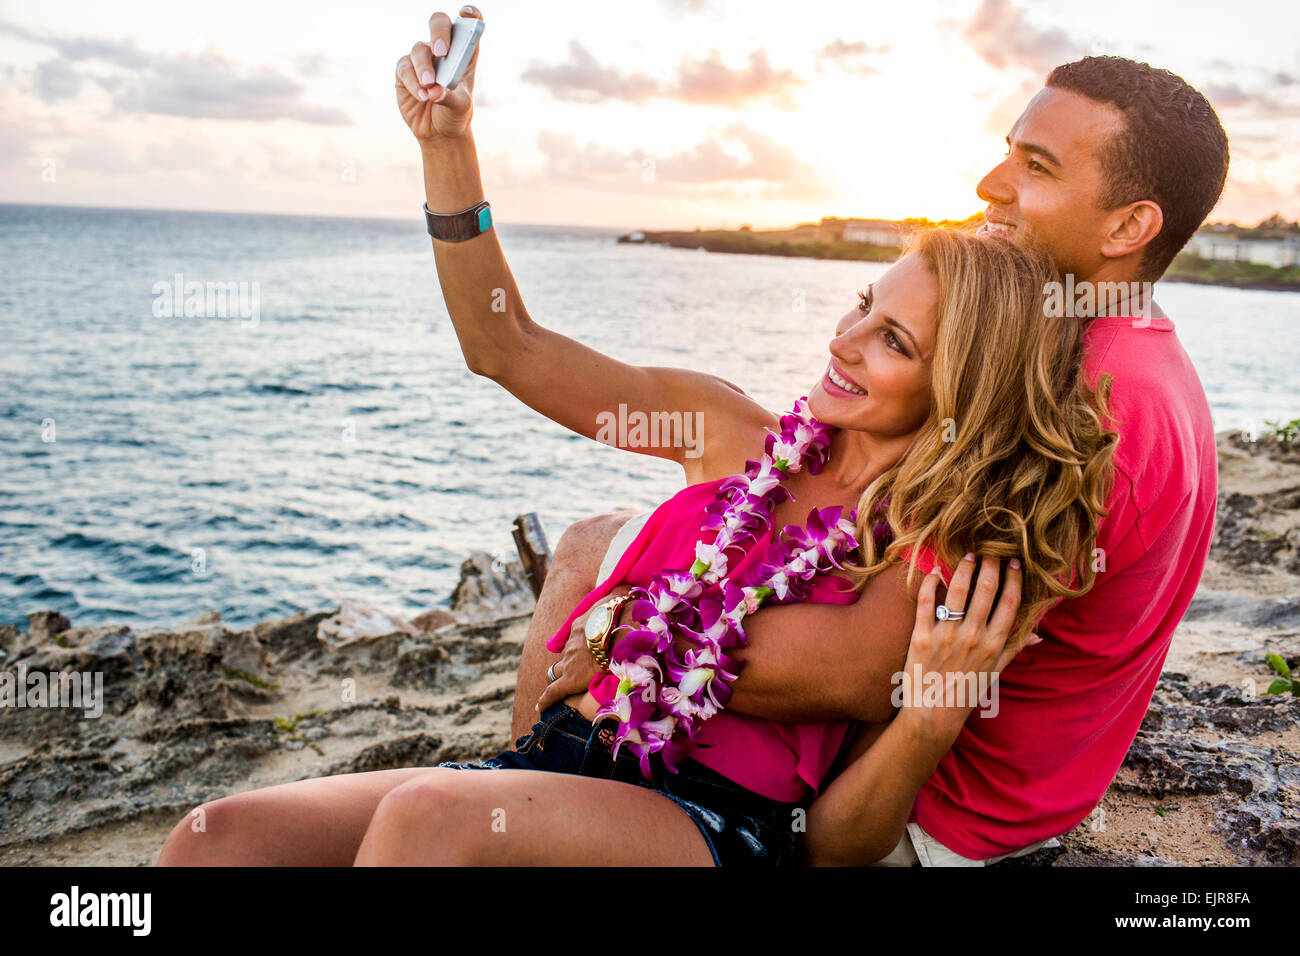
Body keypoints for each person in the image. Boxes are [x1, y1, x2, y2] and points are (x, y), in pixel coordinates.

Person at [155, 7, 1119, 867]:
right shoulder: (727, 427)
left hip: (709, 819)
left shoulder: (931, 536)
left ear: (960, 388)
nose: (843, 341)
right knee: (221, 836)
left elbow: (848, 690)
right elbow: (507, 345)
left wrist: (613, 622)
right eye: (862, 305)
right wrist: (448, 148)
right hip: (552, 762)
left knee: (432, 817)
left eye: (893, 341)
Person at [529, 53, 1228, 864]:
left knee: (592, 568)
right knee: (599, 539)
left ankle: (525, 798)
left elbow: (864, 670)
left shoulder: (1088, 402)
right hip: (989, 774)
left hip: (924, 813)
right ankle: (521, 789)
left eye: (1035, 168)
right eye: (1008, 149)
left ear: (1128, 227)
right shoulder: (1122, 346)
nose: (990, 185)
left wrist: (619, 629)